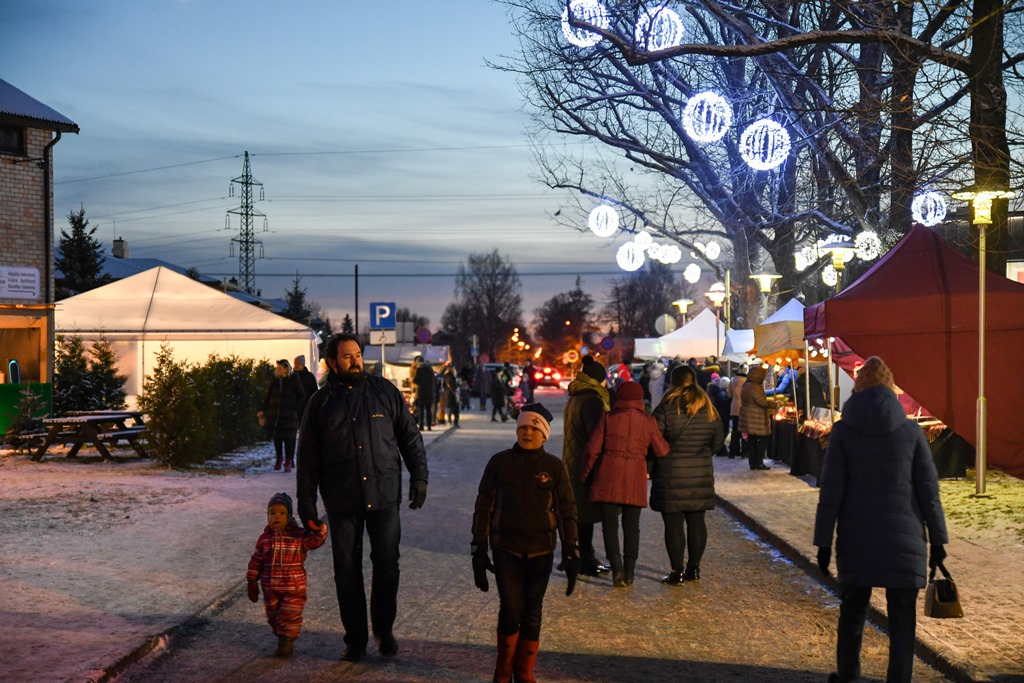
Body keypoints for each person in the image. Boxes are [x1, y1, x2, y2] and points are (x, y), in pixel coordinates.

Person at [813, 357, 949, 683]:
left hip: (856, 538)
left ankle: (848, 676)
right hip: (905, 539)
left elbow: (831, 490)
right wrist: (939, 541)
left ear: (858, 386)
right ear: (891, 388)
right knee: (902, 621)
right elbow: (929, 491)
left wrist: (822, 541)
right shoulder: (911, 432)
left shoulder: (843, 432)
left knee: (853, 614)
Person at [296, 333, 429, 662]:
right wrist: (306, 502)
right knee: (346, 571)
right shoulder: (320, 404)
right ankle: (355, 639)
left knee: (387, 566)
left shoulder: (383, 391)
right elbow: (308, 458)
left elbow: (409, 435)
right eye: (347, 356)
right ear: (331, 362)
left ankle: (384, 631)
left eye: (357, 355)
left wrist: (420, 475)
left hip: (384, 496)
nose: (355, 361)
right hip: (343, 501)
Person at [471, 403, 579, 683]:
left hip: (541, 550)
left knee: (532, 611)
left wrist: (571, 548)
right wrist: (479, 549)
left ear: (544, 434)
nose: (527, 432)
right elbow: (484, 507)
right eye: (522, 427)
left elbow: (567, 509)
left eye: (533, 428)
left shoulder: (553, 467)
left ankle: (525, 672)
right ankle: (503, 671)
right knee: (510, 608)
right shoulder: (500, 462)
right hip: (506, 548)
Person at [581, 381, 669, 587]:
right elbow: (662, 450)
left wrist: (585, 475)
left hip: (608, 474)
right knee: (632, 527)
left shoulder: (607, 418)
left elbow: (592, 450)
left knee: (609, 526)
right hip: (635, 477)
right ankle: (629, 572)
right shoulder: (648, 421)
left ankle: (617, 569)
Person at [651, 365, 724, 585]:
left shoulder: (665, 407)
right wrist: (701, 455)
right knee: (697, 521)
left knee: (673, 524)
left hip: (670, 473)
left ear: (673, 382)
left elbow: (654, 439)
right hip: (699, 473)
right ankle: (694, 568)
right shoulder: (708, 406)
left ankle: (677, 571)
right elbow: (718, 439)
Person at [246, 492, 328, 658]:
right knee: (273, 616)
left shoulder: (298, 536)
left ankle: (286, 640)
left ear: (289, 516)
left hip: (293, 586)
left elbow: (316, 541)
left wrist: (320, 529)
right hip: (271, 587)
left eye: (282, 513)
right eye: (272, 513)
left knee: (289, 614)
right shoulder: (264, 539)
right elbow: (256, 560)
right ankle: (282, 633)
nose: (277, 516)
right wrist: (252, 579)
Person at [562, 355, 612, 577]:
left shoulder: (576, 396)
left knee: (581, 512)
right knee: (585, 514)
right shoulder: (592, 400)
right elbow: (597, 435)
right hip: (585, 462)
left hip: (573, 461)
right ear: (599, 379)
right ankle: (586, 559)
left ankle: (583, 554)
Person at [258, 359, 305, 472]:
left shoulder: (293, 380)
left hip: (289, 415)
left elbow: (302, 396)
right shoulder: (275, 381)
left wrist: (294, 408)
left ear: (286, 369)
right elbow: (268, 396)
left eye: (280, 368)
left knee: (289, 439)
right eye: (277, 368)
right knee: (277, 438)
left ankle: (288, 461)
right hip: (275, 415)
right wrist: (262, 409)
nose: (277, 370)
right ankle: (279, 458)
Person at [738, 363, 772, 470]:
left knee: (752, 440)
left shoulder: (746, 385)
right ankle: (759, 462)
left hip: (748, 416)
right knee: (762, 439)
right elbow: (762, 402)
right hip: (756, 418)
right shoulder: (755, 387)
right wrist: (773, 404)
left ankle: (752, 462)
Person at [727, 364, 747, 458]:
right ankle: (744, 452)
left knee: (735, 430)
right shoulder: (746, 381)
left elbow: (730, 395)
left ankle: (733, 451)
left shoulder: (731, 380)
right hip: (743, 407)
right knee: (744, 429)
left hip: (734, 406)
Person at [411, 354, 435, 431]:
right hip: (429, 392)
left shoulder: (419, 369)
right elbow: (433, 380)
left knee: (420, 410)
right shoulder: (430, 369)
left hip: (420, 392)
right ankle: (429, 426)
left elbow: (415, 380)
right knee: (428, 410)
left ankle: (421, 426)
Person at [293, 355, 319, 420]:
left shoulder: (309, 377)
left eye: (298, 363)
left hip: (306, 406)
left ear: (302, 364)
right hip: (295, 407)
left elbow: (314, 392)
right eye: (295, 363)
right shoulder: (292, 376)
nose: (295, 365)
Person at [441, 362, 461, 428]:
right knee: (455, 408)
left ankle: (449, 421)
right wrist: (458, 384)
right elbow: (454, 386)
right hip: (452, 394)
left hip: (447, 393)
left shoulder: (445, 376)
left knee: (450, 408)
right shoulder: (452, 376)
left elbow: (444, 385)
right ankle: (455, 422)